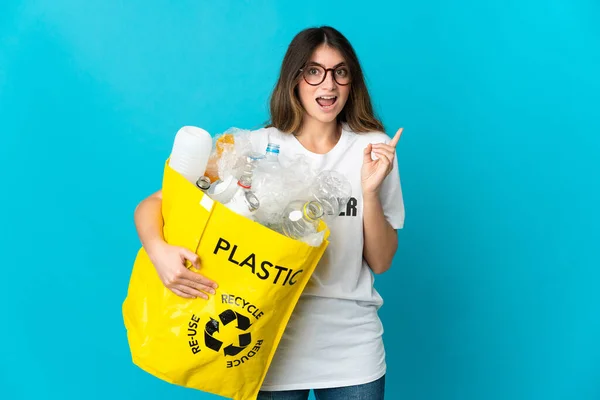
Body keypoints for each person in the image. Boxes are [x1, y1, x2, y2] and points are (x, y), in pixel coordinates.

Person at [133, 26, 404, 400]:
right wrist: (159, 253)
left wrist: (370, 193)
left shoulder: (374, 149)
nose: (329, 86)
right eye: (314, 71)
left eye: (340, 72)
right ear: (294, 79)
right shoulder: (254, 148)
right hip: (266, 343)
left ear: (351, 81)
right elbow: (155, 204)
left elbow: (382, 260)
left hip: (351, 347)